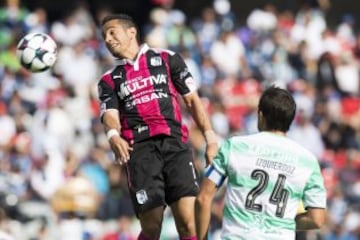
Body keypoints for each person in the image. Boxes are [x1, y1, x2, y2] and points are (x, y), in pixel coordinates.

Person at [97, 13, 219, 240]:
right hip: (141, 152)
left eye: (112, 32)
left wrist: (210, 139)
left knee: (188, 223)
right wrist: (113, 135)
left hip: (175, 145)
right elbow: (110, 115)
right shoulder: (109, 79)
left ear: (131, 31)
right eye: (104, 36)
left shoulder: (168, 58)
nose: (108, 39)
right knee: (152, 227)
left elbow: (192, 100)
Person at [195, 86, 327, 240]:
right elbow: (317, 219)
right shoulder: (308, 161)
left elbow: (203, 198)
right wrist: (279, 222)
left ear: (260, 115)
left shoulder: (234, 146)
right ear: (290, 120)